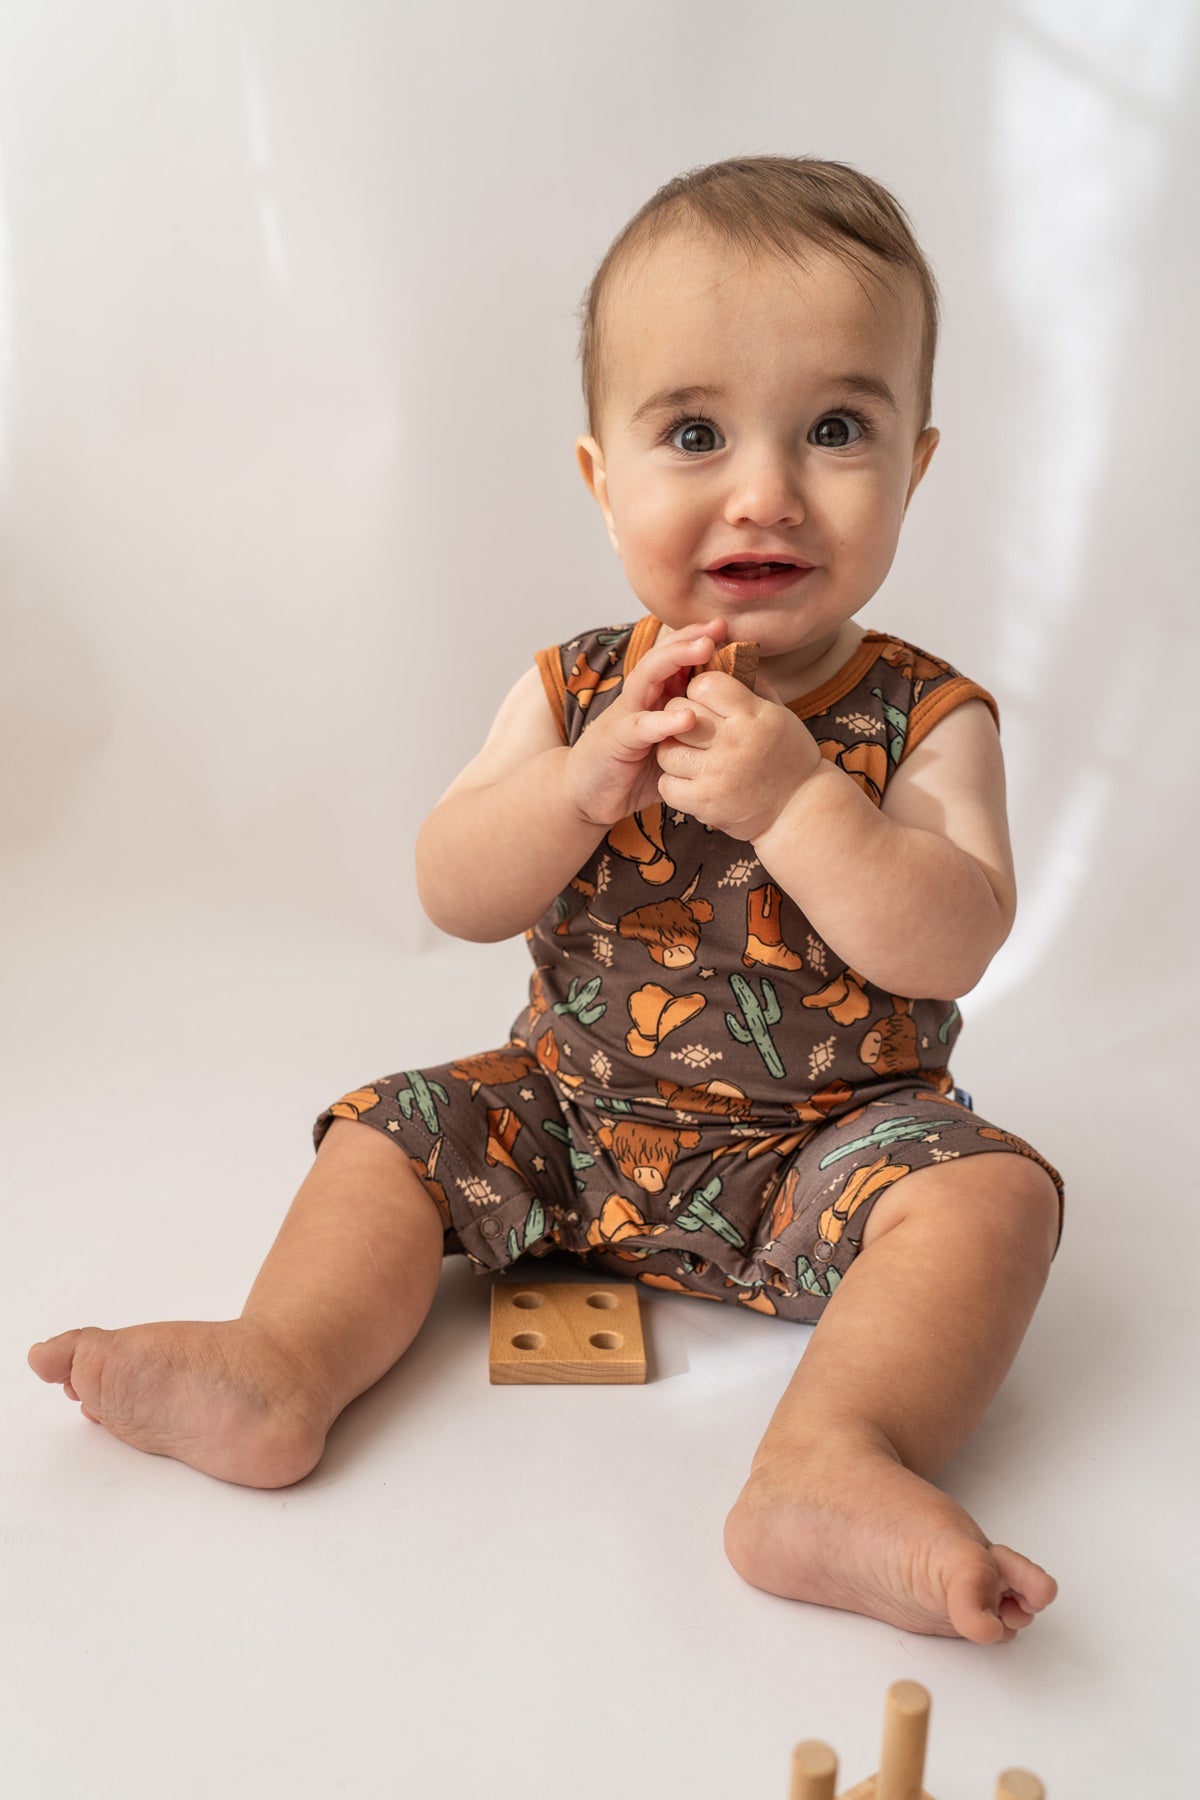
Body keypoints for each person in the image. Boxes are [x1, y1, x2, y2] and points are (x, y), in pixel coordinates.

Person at [29, 155, 1065, 1644]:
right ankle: (282, 1362)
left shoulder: (925, 718)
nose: (765, 489)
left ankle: (833, 1463)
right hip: (571, 1121)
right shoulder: (576, 690)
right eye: (694, 432)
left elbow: (954, 937)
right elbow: (451, 886)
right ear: (601, 478)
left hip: (829, 1158)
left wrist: (800, 805)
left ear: (914, 467)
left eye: (837, 429)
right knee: (389, 1131)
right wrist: (577, 791)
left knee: (992, 1199)